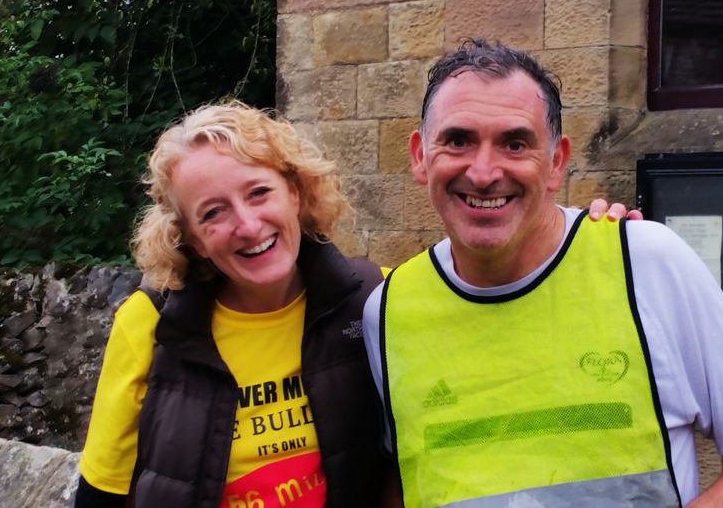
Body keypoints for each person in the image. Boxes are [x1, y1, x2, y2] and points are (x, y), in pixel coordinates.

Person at [74, 99, 637, 507]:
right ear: (191, 237)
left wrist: (586, 244)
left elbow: (505, 310)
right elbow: (101, 497)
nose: (247, 225)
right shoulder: (152, 326)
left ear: (296, 193)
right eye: (213, 213)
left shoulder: (380, 301)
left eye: (259, 192)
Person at [362, 40, 723, 507]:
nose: (483, 172)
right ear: (419, 156)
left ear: (556, 162)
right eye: (458, 140)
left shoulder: (644, 261)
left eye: (515, 143)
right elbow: (408, 478)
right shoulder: (388, 311)